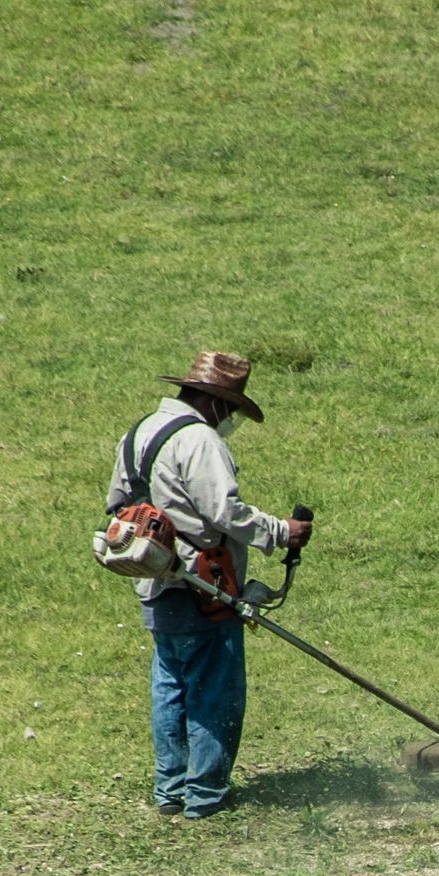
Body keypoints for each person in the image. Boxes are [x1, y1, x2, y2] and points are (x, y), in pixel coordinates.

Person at [108, 351, 311, 820]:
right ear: (214, 401)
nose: (231, 419)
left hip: (156, 581)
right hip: (205, 585)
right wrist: (282, 531)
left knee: (171, 685)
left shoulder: (137, 434)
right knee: (215, 688)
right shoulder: (199, 439)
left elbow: (117, 507)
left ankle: (171, 791)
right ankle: (205, 795)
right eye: (232, 409)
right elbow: (226, 512)